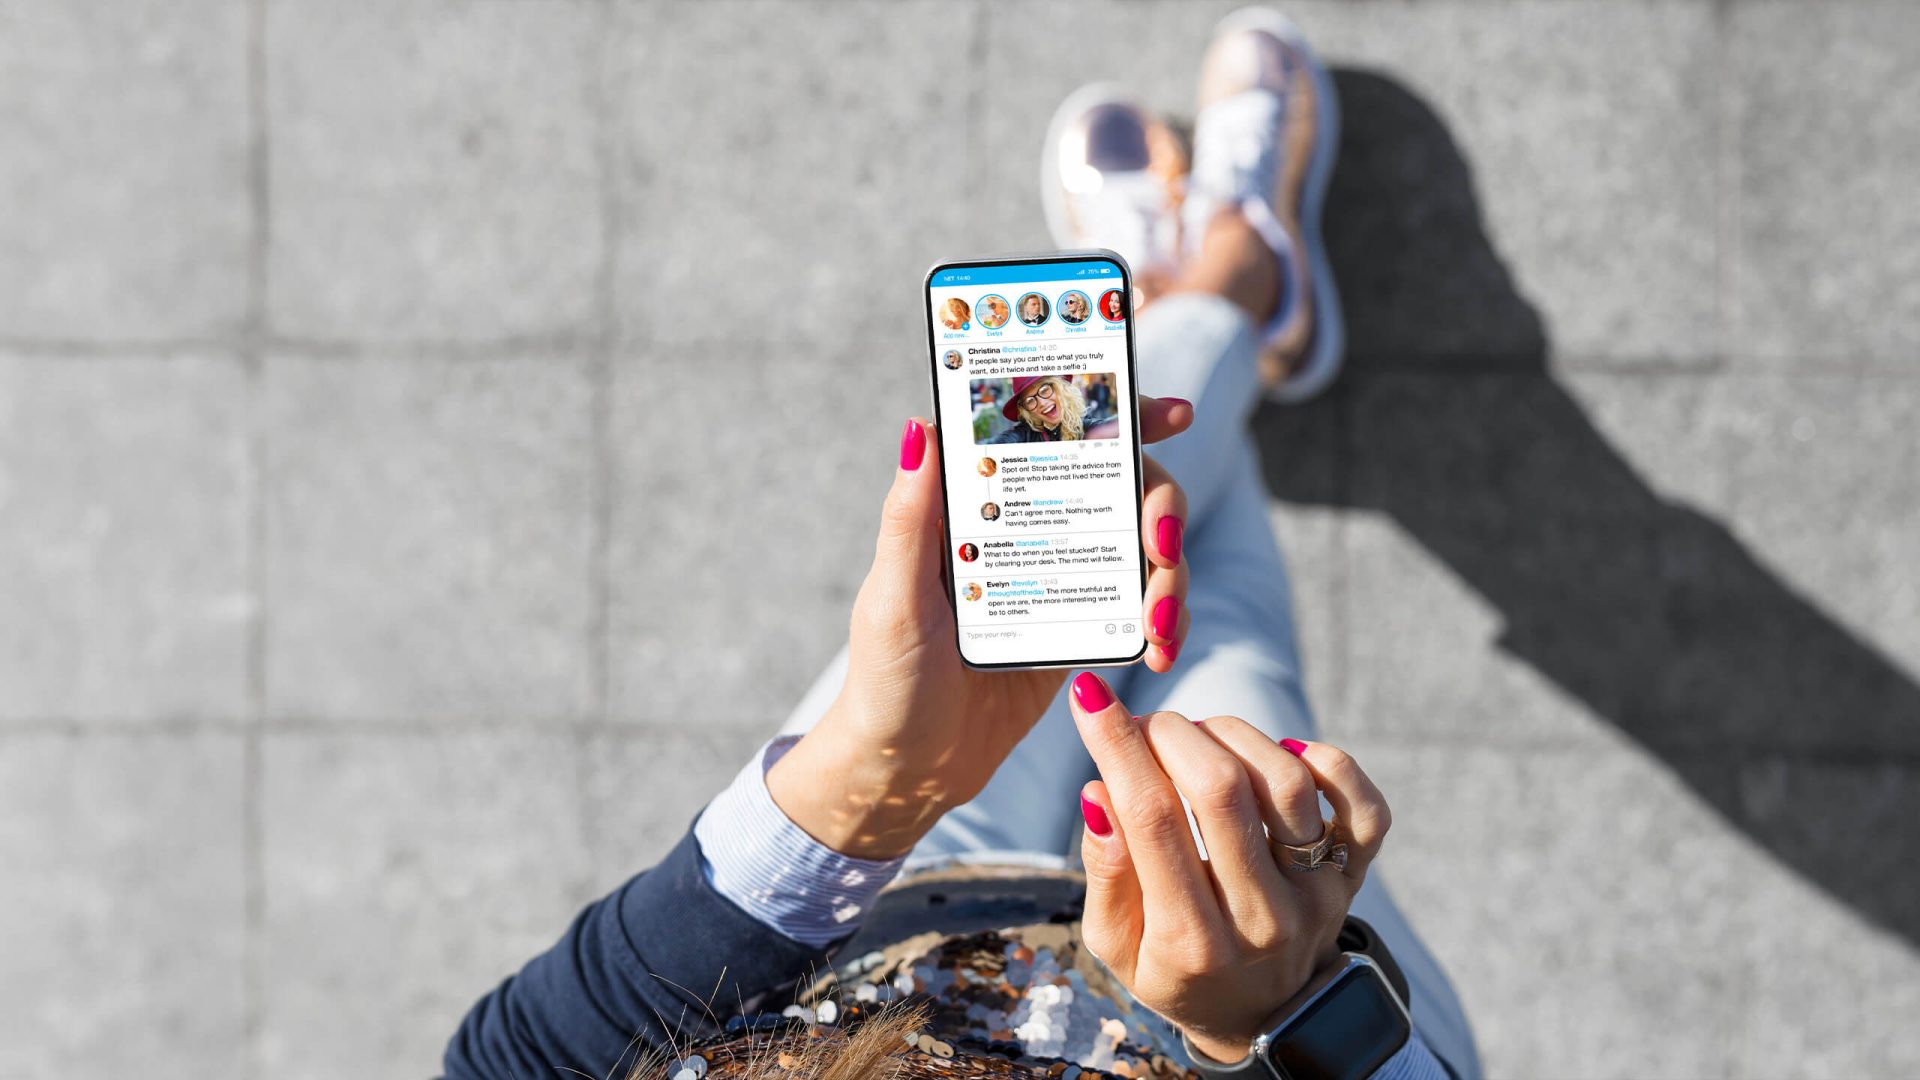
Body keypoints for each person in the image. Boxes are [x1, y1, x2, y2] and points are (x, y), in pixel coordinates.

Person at [446, 10, 1477, 1080]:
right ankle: (1224, 284)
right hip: (1224, 983)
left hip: (890, 897)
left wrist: (873, 777)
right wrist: (1264, 1022)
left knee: (1146, 529)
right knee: (1238, 671)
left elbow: (512, 1062)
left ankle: (1213, 292)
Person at [987, 374, 1115, 444]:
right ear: (1027, 410)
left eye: (1044, 390)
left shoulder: (1083, 427)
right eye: (1030, 401)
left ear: (1059, 389)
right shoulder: (1023, 434)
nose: (1042, 403)